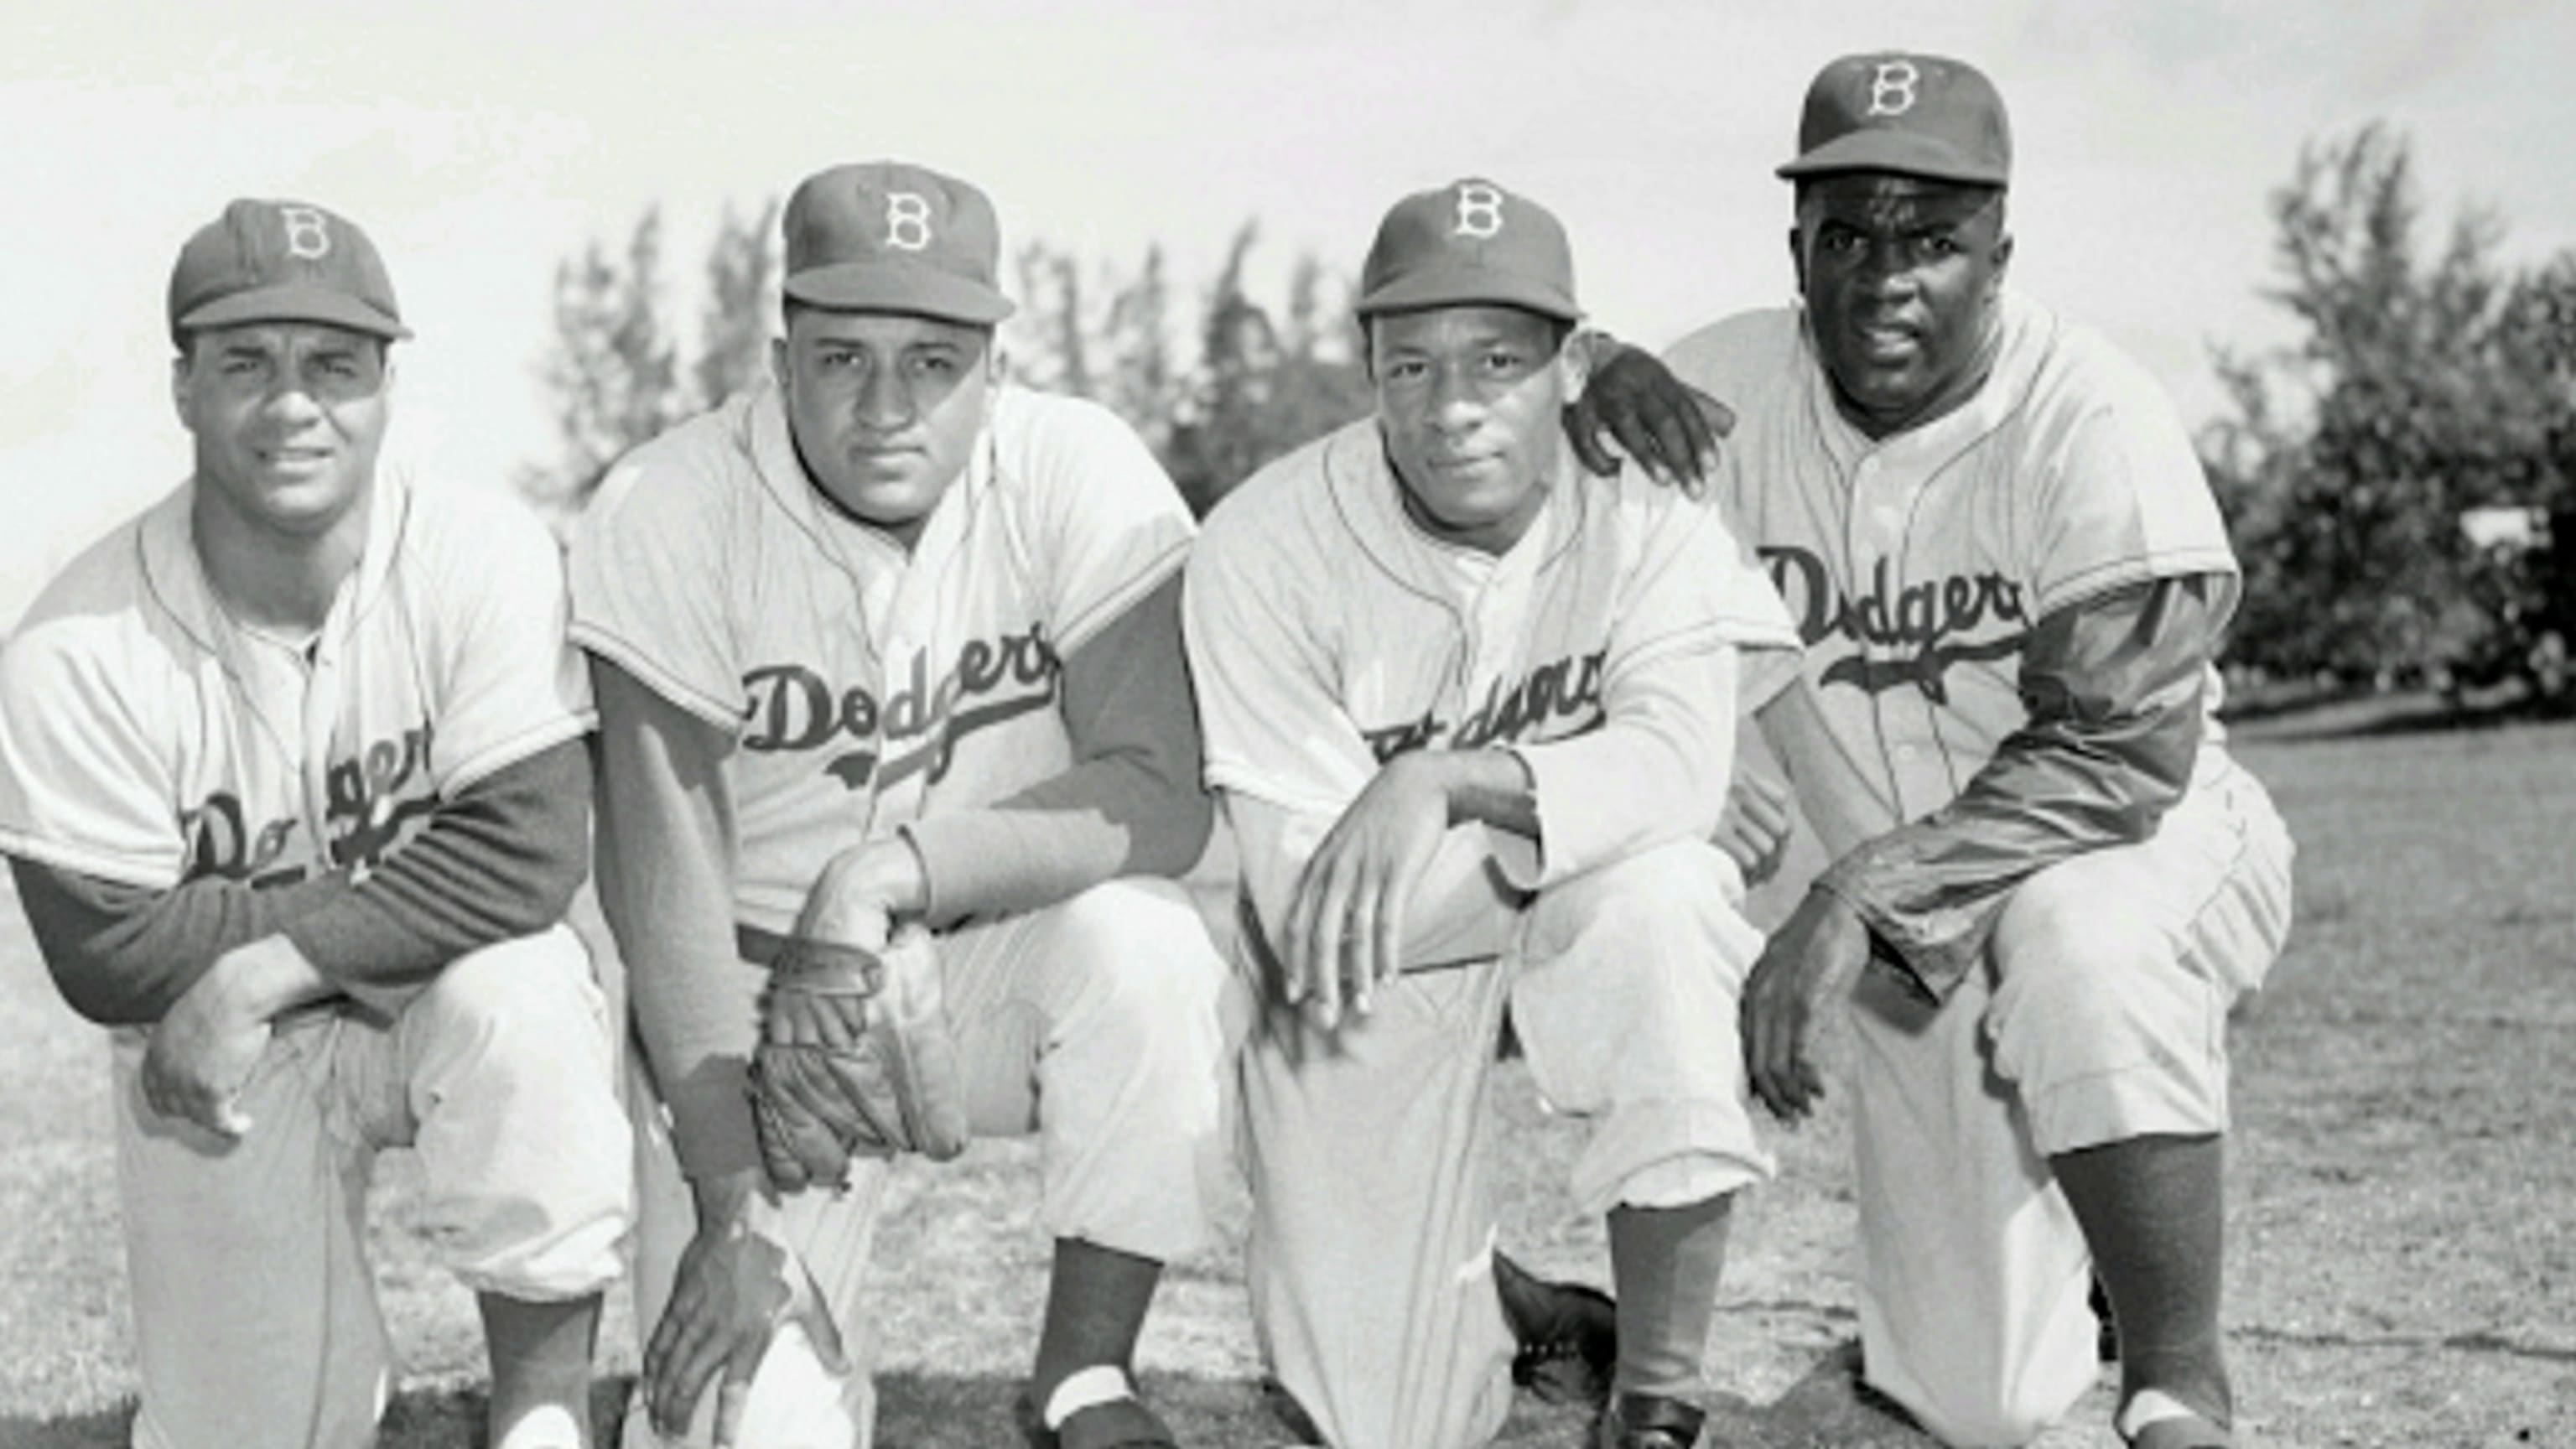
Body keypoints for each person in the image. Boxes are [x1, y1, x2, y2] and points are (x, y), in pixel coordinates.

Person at [1572, 54, 2298, 1449]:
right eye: (1846, 234)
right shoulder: (1722, 392)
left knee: (2084, 947)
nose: (1886, 274)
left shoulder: (2091, 415)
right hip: (1911, 937)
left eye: (1932, 239)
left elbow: (2116, 755)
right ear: (1795, 250)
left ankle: (2178, 1378)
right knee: (1978, 1402)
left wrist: (1853, 897)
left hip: (2141, 845)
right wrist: (1589, 366)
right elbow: (1492, 430)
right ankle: (2056, 1254)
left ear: (1999, 254)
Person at [568, 161, 1237, 1449]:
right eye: (841, 359)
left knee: (1149, 949)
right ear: (780, 356)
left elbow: (1161, 794)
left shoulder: (1071, 465)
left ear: (994, 363)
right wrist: (730, 1211)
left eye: (933, 362)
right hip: (749, 1023)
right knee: (744, 1428)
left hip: (986, 964)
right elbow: (665, 894)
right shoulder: (672, 504)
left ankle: (1085, 1377)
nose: (886, 405)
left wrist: (888, 873)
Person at [0, 199, 632, 1449]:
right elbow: (108, 951)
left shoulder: (481, 551)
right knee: (252, 1432)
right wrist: (373, 916)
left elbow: (534, 844)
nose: (294, 404)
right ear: (183, 387)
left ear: (386, 386)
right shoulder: (79, 639)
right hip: (219, 1060)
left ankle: (541, 1413)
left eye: (332, 365)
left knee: (523, 985)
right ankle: (319, 1371)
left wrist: (255, 965)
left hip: (422, 998)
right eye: (246, 363)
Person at [1184, 178, 1804, 1449]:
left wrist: (1449, 780)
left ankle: (1658, 1397)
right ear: (1365, 365)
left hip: (1557, 894)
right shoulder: (1264, 542)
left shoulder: (1647, 498)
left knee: (1668, 900)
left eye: (1499, 361)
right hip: (1361, 966)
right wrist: (1598, 796)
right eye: (1410, 363)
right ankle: (1508, 1308)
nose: (1452, 407)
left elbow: (1688, 765)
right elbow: (1322, 905)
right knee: (1379, 1421)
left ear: (1574, 365)